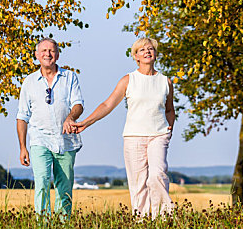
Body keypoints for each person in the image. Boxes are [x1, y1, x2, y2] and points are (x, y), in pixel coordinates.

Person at [72, 37, 175, 219]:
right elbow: (107, 105)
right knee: (138, 182)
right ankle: (140, 221)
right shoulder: (128, 80)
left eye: (150, 49)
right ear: (136, 56)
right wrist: (86, 122)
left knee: (158, 174)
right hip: (133, 136)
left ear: (156, 54)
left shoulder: (165, 81)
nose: (147, 52)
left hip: (158, 135)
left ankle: (163, 219)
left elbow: (169, 110)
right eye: (142, 50)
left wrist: (169, 130)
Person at [16, 38, 84, 217]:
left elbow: (78, 104)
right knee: (42, 181)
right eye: (44, 51)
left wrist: (71, 117)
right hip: (40, 139)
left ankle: (63, 227)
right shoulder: (29, 82)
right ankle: (43, 226)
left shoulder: (69, 77)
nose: (48, 54)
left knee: (65, 185)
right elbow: (22, 117)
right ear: (37, 55)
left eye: (51, 51)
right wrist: (23, 147)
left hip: (66, 139)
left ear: (57, 55)